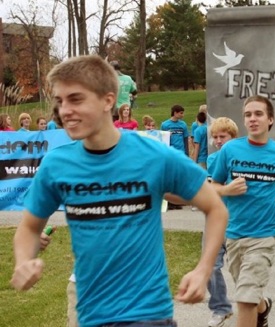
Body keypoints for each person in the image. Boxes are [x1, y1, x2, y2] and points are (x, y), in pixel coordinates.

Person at [10, 55, 228, 327]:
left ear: (108, 100)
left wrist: (203, 269)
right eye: (60, 101)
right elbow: (30, 227)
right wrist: (23, 261)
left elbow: (215, 207)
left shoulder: (153, 155)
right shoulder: (57, 165)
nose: (64, 110)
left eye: (76, 99)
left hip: (147, 313)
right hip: (89, 313)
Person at [211, 95, 275, 327]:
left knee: (244, 298)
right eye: (248, 115)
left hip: (264, 235)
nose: (252, 119)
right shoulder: (230, 149)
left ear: (270, 119)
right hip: (233, 234)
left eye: (258, 114)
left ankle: (256, 309)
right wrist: (227, 190)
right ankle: (264, 308)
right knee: (249, 294)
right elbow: (213, 186)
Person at [204, 117, 238, 327]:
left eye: (222, 136)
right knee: (209, 266)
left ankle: (256, 303)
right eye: (215, 137)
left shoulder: (243, 158)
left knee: (241, 270)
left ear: (233, 137)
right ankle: (221, 308)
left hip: (238, 220)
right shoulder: (213, 159)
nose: (218, 140)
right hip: (215, 218)